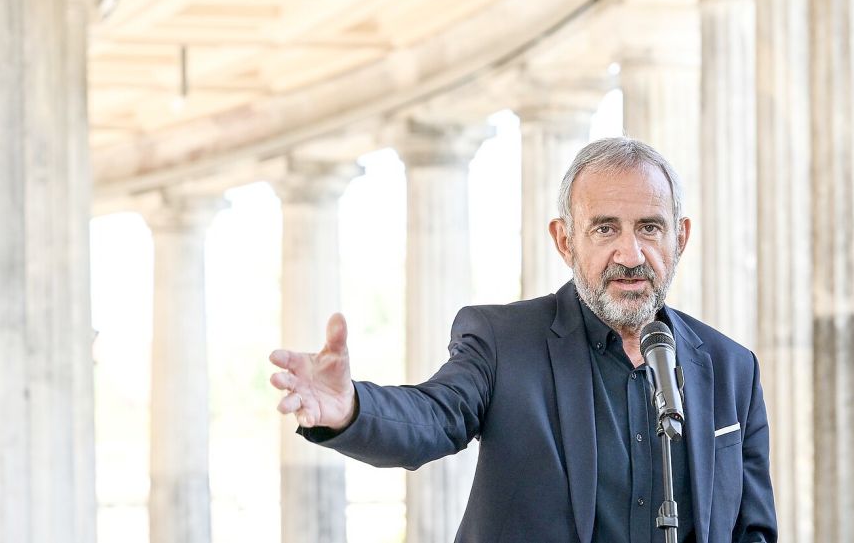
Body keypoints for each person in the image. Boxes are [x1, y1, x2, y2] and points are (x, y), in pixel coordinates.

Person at [268, 137, 777, 543]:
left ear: (679, 238)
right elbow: (433, 417)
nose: (631, 252)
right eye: (604, 229)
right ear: (564, 240)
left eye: (649, 227)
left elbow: (752, 530)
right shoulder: (501, 341)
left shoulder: (733, 368)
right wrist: (351, 408)